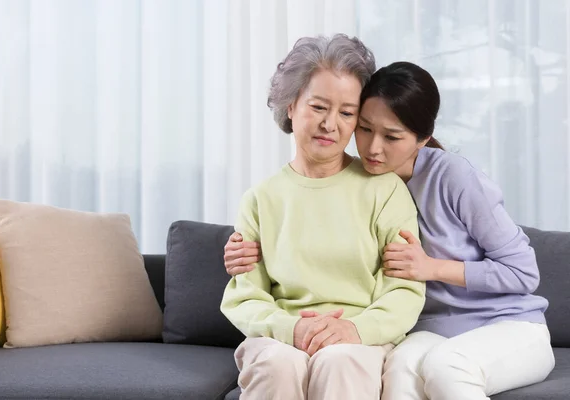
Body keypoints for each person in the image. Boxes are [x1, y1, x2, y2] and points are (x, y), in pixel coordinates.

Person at [224, 61, 555, 400]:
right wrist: (242, 251)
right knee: (397, 374)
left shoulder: (451, 178)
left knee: (446, 367)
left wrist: (431, 268)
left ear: (422, 139)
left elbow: (523, 273)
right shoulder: (364, 181)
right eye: (365, 129)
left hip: (501, 322)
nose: (372, 148)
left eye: (392, 136)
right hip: (434, 328)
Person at [220, 36, 426, 400]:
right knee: (277, 363)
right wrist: (289, 330)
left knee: (340, 360)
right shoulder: (260, 199)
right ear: (291, 106)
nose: (331, 124)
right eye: (318, 107)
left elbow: (405, 292)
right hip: (280, 336)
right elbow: (245, 297)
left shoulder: (385, 190)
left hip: (361, 338)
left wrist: (355, 330)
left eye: (347, 113)